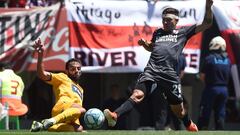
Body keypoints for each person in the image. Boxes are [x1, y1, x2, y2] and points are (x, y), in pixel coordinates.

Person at [103, 0, 213, 132]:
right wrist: (146, 44)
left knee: (178, 111)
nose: (165, 22)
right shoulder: (158, 33)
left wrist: (208, 6)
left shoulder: (183, 32)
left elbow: (207, 23)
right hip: (152, 71)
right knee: (137, 94)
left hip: (170, 75)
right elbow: (153, 47)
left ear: (176, 21)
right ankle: (115, 115)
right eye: (163, 20)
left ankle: (188, 123)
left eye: (168, 20)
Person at [30, 39, 86, 132]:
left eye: (78, 68)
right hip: (63, 106)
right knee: (82, 109)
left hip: (71, 114)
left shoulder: (81, 89)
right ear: (67, 71)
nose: (76, 70)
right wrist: (40, 55)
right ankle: (53, 120)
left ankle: (43, 125)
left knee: (79, 128)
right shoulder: (63, 77)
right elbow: (42, 74)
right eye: (73, 69)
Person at [197, 36, 231, 130]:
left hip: (211, 88)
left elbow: (202, 76)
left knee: (205, 110)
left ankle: (203, 129)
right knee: (220, 112)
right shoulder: (228, 60)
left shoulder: (209, 59)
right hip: (224, 90)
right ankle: (220, 130)